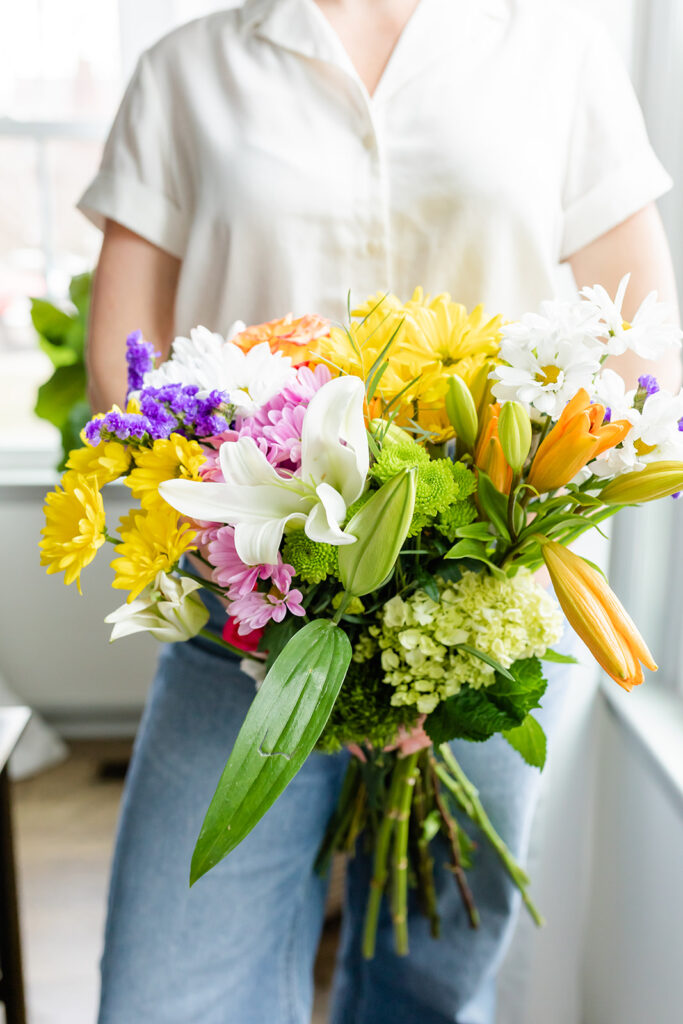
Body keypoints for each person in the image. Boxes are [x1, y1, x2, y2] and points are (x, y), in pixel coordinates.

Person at [79, 1, 680, 1021]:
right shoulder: (186, 72)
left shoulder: (552, 52)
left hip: (484, 625)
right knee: (168, 993)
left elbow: (636, 334)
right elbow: (120, 352)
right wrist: (228, 545)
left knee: (429, 988)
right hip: (249, 615)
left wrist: (482, 575)